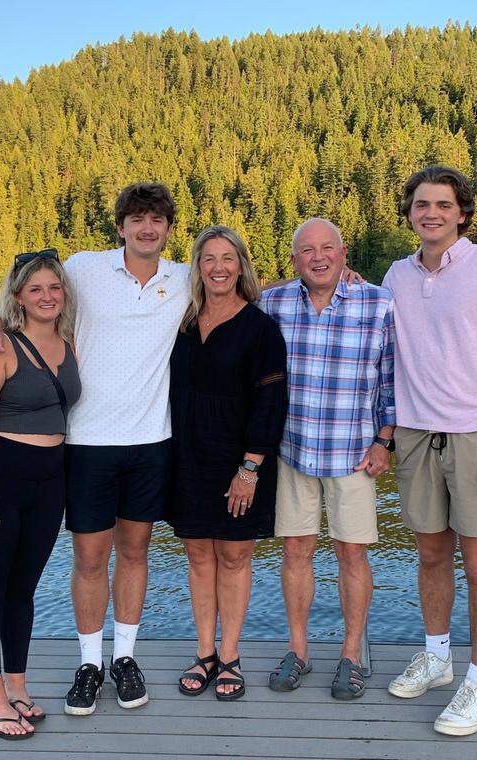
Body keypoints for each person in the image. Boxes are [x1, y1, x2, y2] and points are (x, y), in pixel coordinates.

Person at [0, 183, 190, 715]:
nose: (146, 228)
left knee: (135, 552)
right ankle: (89, 664)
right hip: (87, 445)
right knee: (90, 558)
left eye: (156, 220)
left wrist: (331, 275)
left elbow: (240, 285)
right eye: (135, 219)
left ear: (167, 228)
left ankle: (125, 660)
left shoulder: (183, 278)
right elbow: (32, 296)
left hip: (151, 441)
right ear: (120, 227)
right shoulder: (84, 269)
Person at [382, 165, 477, 736]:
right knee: (431, 555)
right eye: (421, 204)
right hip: (416, 435)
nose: (431, 213)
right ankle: (438, 658)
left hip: (475, 436)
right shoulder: (396, 275)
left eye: (443, 204)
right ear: (410, 213)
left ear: (462, 212)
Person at [260, 218, 396, 700]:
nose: (318, 258)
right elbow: (226, 292)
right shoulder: (273, 303)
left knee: (351, 555)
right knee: (295, 552)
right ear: (293, 260)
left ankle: (350, 656)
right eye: (306, 251)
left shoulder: (378, 302)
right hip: (292, 450)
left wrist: (386, 440)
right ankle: (298, 651)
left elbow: (391, 381)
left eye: (327, 249)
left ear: (344, 253)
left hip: (354, 453)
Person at [0, 250, 81, 740]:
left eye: (54, 288)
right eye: (35, 290)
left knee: (22, 592)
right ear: (18, 298)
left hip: (50, 483)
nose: (47, 297)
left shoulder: (69, 343)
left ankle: (18, 686)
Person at [169, 226, 287, 701]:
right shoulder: (181, 320)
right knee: (198, 554)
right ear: (197, 267)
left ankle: (231, 655)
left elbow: (270, 402)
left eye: (228, 258)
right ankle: (205, 653)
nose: (218, 267)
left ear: (241, 265)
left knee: (234, 555)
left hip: (241, 461)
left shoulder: (261, 328)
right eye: (208, 258)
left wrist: (250, 468)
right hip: (187, 457)